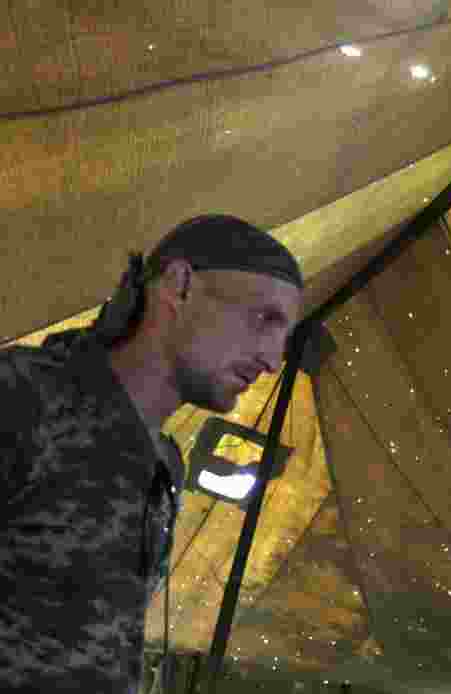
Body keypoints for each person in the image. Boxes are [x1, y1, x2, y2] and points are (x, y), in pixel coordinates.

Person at [0, 214, 305, 693]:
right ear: (180, 286)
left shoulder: (164, 464)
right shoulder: (25, 398)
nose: (271, 359)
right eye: (265, 318)